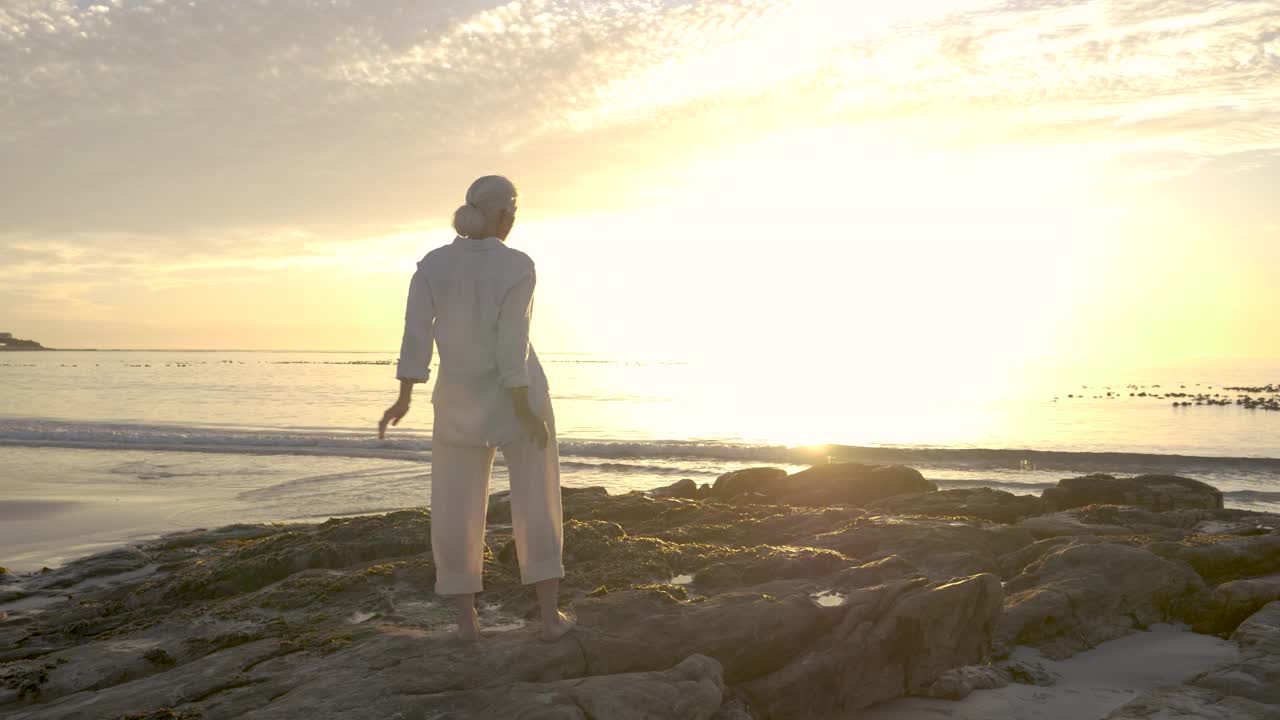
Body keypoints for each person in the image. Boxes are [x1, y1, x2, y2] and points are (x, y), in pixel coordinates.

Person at [379, 175, 574, 643]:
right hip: (519, 394)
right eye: (513, 214)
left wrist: (405, 396)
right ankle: (548, 619)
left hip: (458, 401)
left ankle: (467, 624)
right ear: (504, 215)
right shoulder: (517, 265)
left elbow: (415, 335)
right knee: (536, 500)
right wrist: (522, 407)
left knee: (454, 506)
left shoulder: (432, 264)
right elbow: (512, 344)